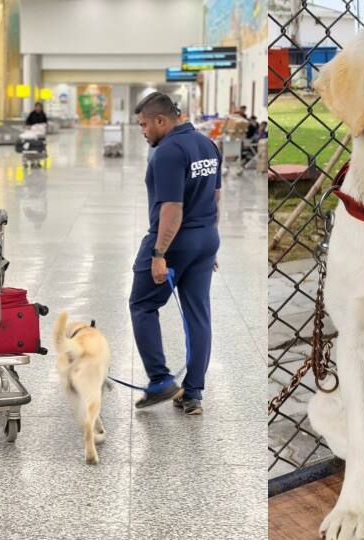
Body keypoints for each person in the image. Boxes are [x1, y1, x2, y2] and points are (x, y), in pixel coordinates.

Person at [130, 92, 221, 416]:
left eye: (144, 124)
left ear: (161, 121)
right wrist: (209, 242)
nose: (142, 131)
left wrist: (158, 254)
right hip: (206, 237)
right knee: (198, 313)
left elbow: (172, 209)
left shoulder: (168, 151)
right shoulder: (207, 145)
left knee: (142, 305)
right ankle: (192, 393)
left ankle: (160, 380)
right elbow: (216, 195)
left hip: (174, 241)